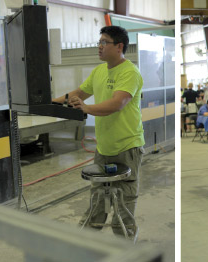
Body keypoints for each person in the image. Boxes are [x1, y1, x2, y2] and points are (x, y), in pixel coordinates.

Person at [51, 26, 144, 238]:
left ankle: (125, 248)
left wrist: (86, 108)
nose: (99, 47)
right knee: (98, 201)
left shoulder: (130, 72)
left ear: (119, 46)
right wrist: (49, 102)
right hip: (104, 149)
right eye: (99, 42)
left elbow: (118, 103)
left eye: (104, 42)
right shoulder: (99, 71)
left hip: (128, 147)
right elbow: (78, 93)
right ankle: (87, 244)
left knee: (124, 202)